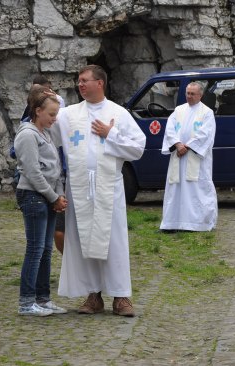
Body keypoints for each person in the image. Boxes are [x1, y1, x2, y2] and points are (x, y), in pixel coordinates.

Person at [49, 65, 146, 317]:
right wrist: (44, 99)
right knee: (84, 240)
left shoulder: (118, 113)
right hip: (79, 187)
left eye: (84, 80)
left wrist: (110, 133)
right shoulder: (69, 114)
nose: (79, 85)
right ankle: (93, 295)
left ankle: (121, 296)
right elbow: (47, 128)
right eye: (78, 81)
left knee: (113, 240)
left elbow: (137, 148)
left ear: (100, 83)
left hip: (108, 187)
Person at [14, 85, 68, 316]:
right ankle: (26, 302)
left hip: (46, 196)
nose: (55, 119)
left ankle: (43, 298)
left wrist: (59, 194)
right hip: (33, 196)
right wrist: (53, 196)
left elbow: (54, 168)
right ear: (37, 111)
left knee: (46, 250)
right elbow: (32, 171)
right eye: (51, 114)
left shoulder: (44, 133)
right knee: (35, 249)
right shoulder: (27, 134)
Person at [160, 82, 217, 232]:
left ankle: (198, 223)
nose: (189, 96)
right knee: (175, 188)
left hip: (195, 158)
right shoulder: (178, 110)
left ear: (200, 95)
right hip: (178, 156)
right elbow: (170, 130)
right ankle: (172, 223)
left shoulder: (206, 112)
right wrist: (178, 144)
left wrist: (188, 146)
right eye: (187, 93)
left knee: (196, 189)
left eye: (192, 94)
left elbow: (206, 134)